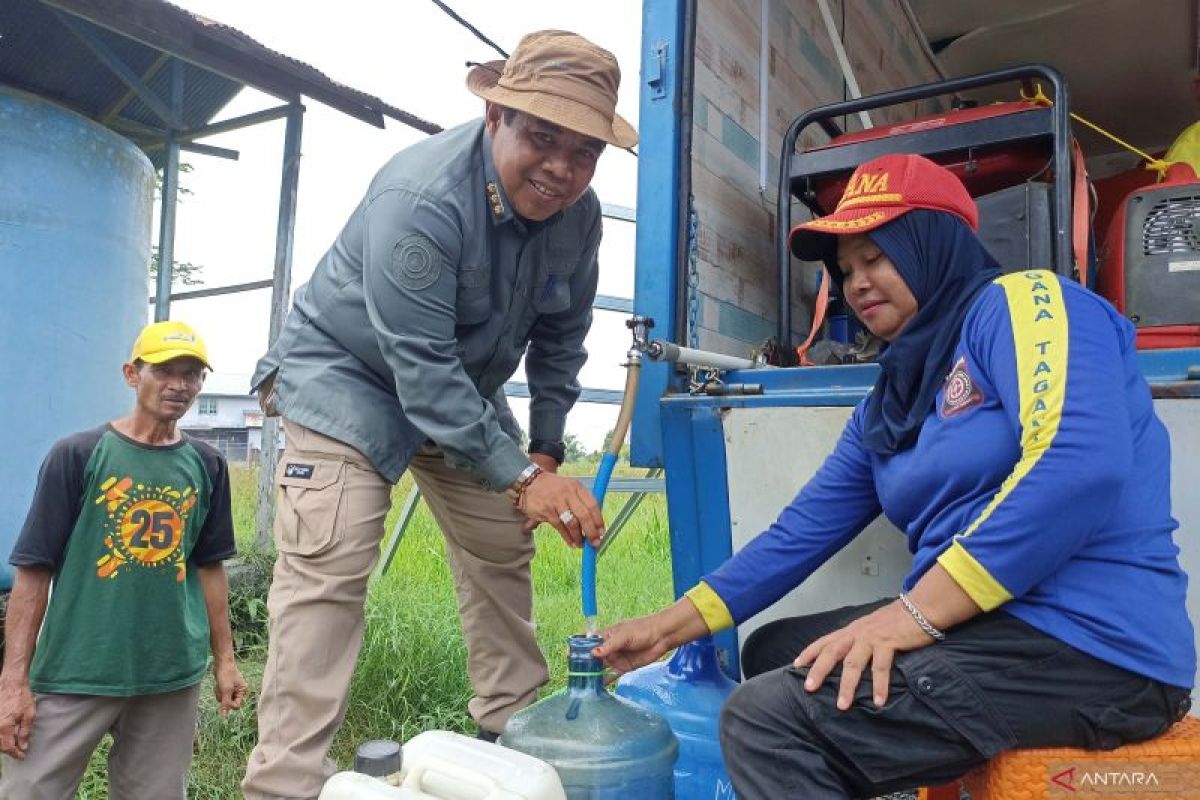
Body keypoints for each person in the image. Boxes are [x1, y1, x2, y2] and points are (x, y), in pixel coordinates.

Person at [596, 153, 1195, 799]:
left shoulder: (1022, 303)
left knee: (769, 721)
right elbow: (801, 532)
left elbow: (1080, 466)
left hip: (1092, 647)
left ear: (931, 243)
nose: (857, 282)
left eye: (876, 256)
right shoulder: (891, 399)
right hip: (990, 626)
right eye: (845, 268)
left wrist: (913, 616)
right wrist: (666, 625)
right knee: (776, 650)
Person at [240, 29, 637, 799]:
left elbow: (561, 338)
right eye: (542, 137)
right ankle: (283, 785)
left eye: (584, 150)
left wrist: (546, 454)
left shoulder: (578, 218)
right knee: (331, 566)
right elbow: (417, 370)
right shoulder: (420, 199)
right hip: (348, 377)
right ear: (496, 116)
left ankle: (512, 743)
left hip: (461, 386)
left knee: (501, 545)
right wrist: (520, 476)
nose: (562, 167)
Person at [0, 320, 246, 799]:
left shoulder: (208, 465)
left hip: (168, 672)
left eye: (192, 374)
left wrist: (226, 661)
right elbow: (33, 571)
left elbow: (210, 567)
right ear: (132, 374)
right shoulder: (79, 455)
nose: (179, 385)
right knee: (29, 790)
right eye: (164, 371)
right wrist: (13, 681)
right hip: (77, 666)